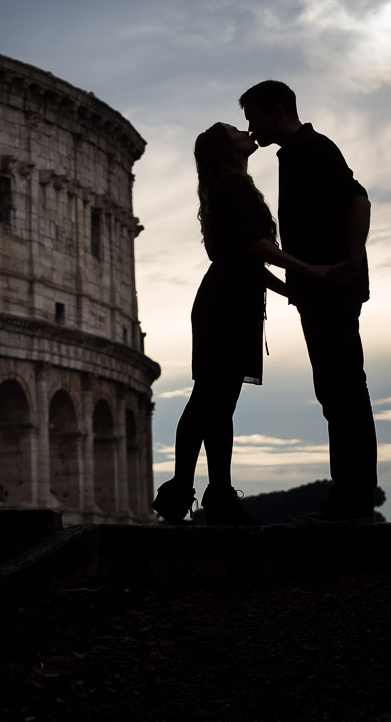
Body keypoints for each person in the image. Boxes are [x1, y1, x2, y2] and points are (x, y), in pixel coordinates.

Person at [152, 122, 329, 526]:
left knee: (218, 402)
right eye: (236, 129)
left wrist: (291, 289)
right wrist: (308, 271)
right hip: (228, 302)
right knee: (210, 398)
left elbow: (248, 258)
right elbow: (254, 248)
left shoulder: (228, 185)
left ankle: (213, 495)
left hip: (233, 297)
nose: (246, 130)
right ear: (224, 146)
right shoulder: (233, 185)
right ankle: (191, 493)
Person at [239, 80, 378, 526]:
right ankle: (351, 495)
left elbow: (358, 197)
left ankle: (353, 499)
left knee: (343, 388)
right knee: (335, 390)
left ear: (277, 111)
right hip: (319, 288)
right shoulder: (295, 154)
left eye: (254, 117)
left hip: (332, 286)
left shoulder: (314, 148)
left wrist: (351, 260)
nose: (251, 128)